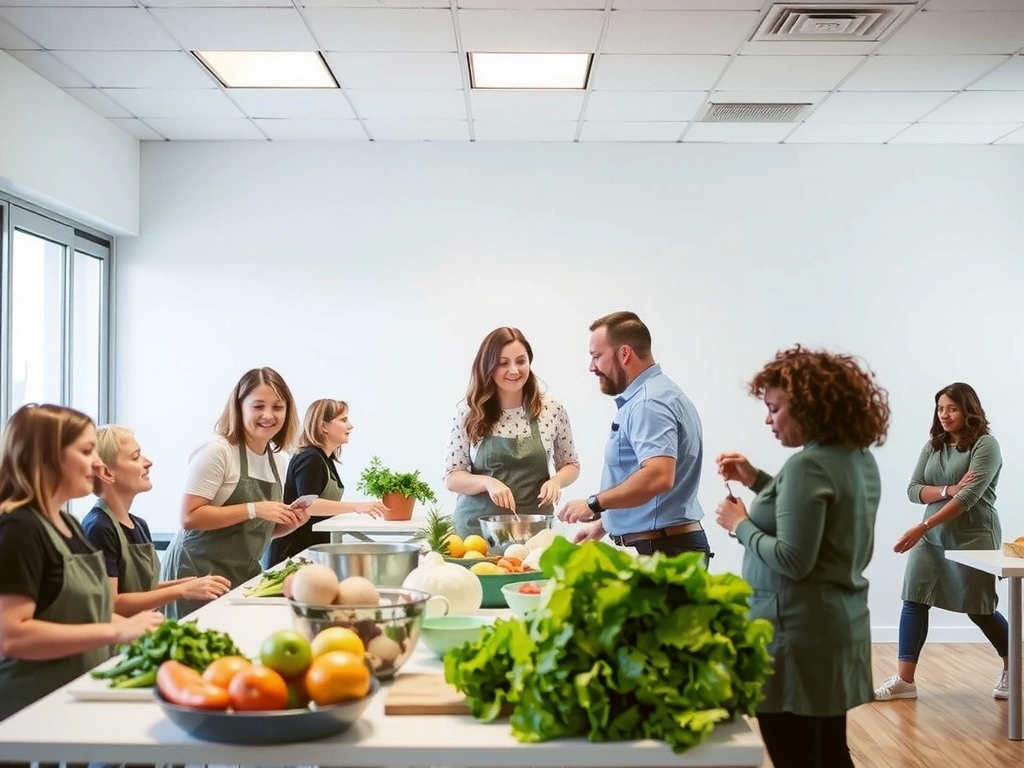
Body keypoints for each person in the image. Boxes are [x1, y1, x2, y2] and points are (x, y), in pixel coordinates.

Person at [713, 345, 890, 768]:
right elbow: (811, 514)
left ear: (810, 407)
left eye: (775, 408)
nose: (768, 419)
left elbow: (794, 557)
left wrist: (739, 525)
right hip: (833, 629)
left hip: (795, 638)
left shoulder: (807, 466)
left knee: (796, 756)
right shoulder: (857, 459)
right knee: (829, 752)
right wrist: (757, 479)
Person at [0, 404, 164, 722]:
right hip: (26, 713)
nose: (98, 463)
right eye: (87, 451)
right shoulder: (19, 529)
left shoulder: (68, 524)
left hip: (69, 699)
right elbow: (12, 636)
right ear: (48, 457)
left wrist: (142, 627)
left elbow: (85, 613)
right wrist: (114, 632)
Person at [875, 382, 1007, 702]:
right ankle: (905, 681)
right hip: (931, 537)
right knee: (915, 599)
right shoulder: (934, 445)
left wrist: (925, 523)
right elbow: (913, 489)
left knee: (980, 608)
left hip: (973, 536)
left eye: (952, 408)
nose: (944, 415)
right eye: (940, 408)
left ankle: (1015, 667)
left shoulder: (986, 446)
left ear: (968, 410)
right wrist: (947, 489)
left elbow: (969, 497)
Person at [559, 311, 710, 563]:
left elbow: (658, 476)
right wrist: (604, 524)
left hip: (665, 552)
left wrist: (594, 503)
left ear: (624, 353)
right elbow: (643, 482)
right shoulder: (660, 393)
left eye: (597, 356)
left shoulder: (648, 403)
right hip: (666, 546)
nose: (591, 367)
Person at [160, 367, 308, 619]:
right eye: (258, 406)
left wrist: (289, 525)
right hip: (197, 572)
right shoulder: (218, 451)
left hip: (240, 574)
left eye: (277, 407)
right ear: (239, 408)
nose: (268, 415)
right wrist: (255, 508)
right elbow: (189, 517)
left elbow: (250, 531)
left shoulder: (277, 460)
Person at [445, 326, 580, 539]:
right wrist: (488, 482)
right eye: (503, 363)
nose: (514, 370)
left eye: (521, 361)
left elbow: (571, 464)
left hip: (534, 532)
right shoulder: (469, 411)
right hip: (476, 535)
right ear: (487, 366)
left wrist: (556, 481)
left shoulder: (551, 409)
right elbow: (452, 477)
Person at [82, 425, 231, 616]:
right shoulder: (98, 528)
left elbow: (142, 589)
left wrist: (189, 583)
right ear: (107, 473)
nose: (148, 462)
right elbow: (112, 603)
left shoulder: (139, 525)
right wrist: (180, 591)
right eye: (136, 457)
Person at [266, 399, 388, 565]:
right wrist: (356, 507)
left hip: (313, 550)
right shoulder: (310, 458)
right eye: (343, 420)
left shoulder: (324, 459)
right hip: (294, 554)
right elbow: (310, 504)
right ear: (323, 426)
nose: (350, 426)